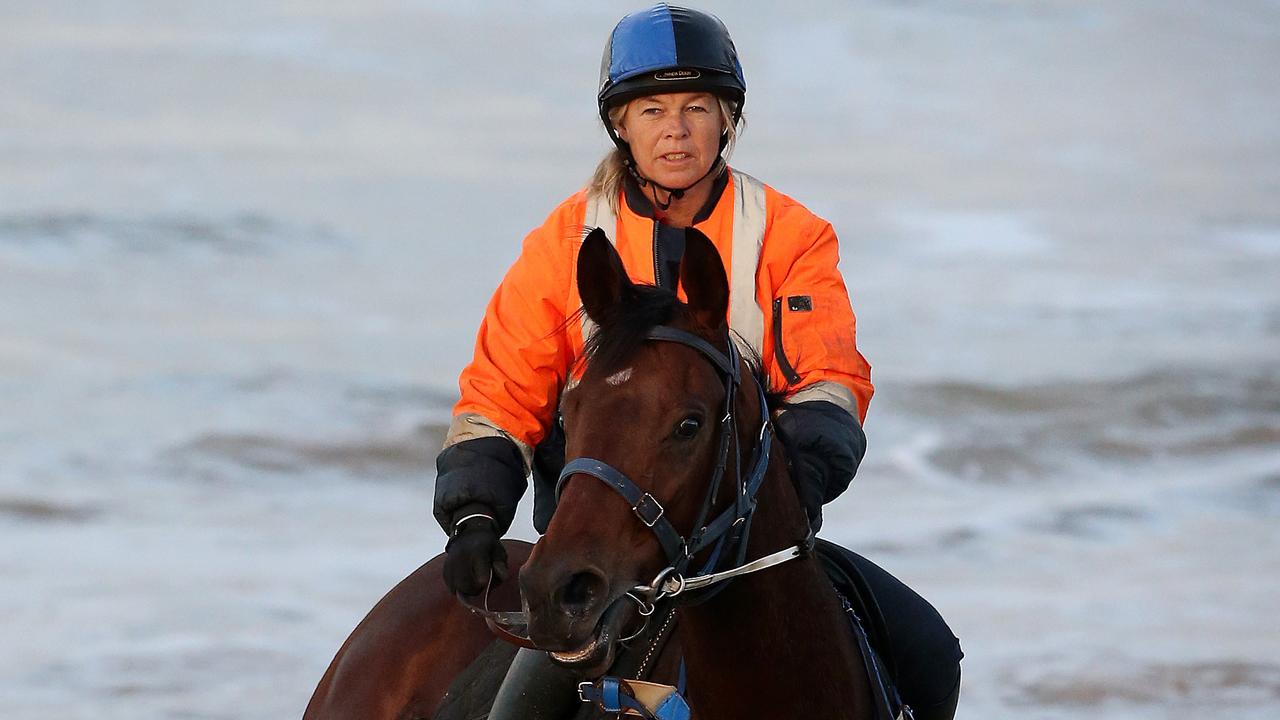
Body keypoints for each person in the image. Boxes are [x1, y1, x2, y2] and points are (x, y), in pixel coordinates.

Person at [432, 4, 961, 719]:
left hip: (741, 541)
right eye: (651, 108)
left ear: (727, 120)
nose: (675, 129)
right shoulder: (564, 243)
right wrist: (474, 513)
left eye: (696, 107)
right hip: (601, 554)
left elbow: (829, 380)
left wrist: (797, 482)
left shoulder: (791, 235)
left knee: (929, 651)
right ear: (621, 124)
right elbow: (502, 393)